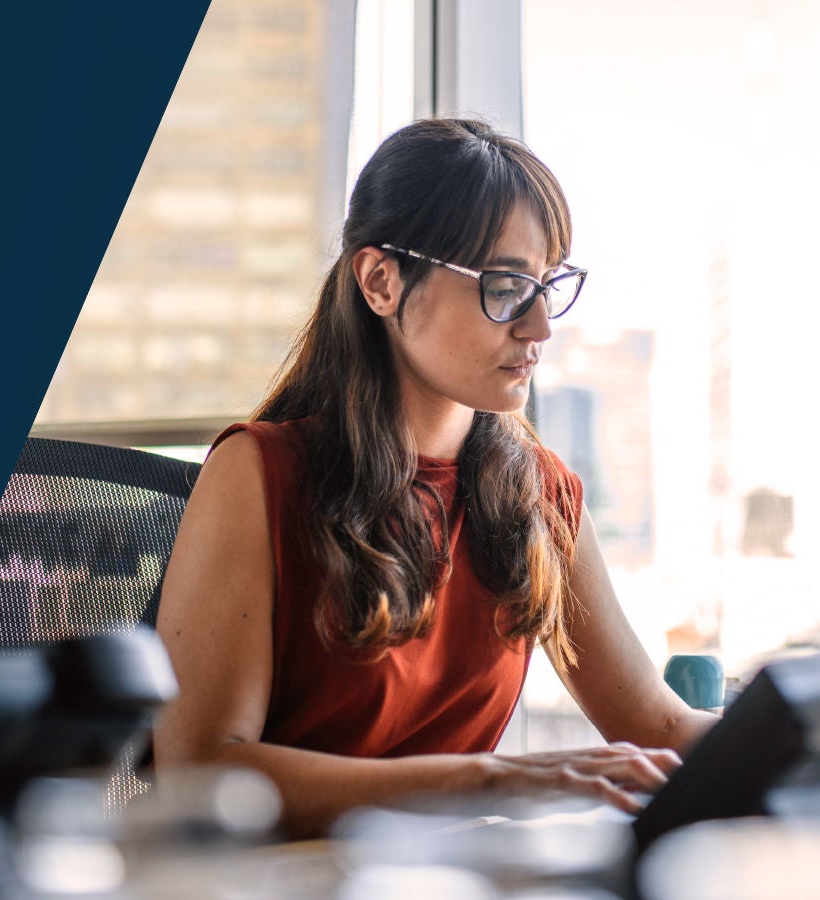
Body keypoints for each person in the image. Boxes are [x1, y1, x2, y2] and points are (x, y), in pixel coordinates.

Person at [153, 118, 718, 838]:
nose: (541, 326)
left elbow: (658, 724)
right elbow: (200, 769)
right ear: (382, 281)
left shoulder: (539, 494)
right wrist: (490, 780)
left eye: (549, 285)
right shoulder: (259, 472)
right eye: (508, 286)